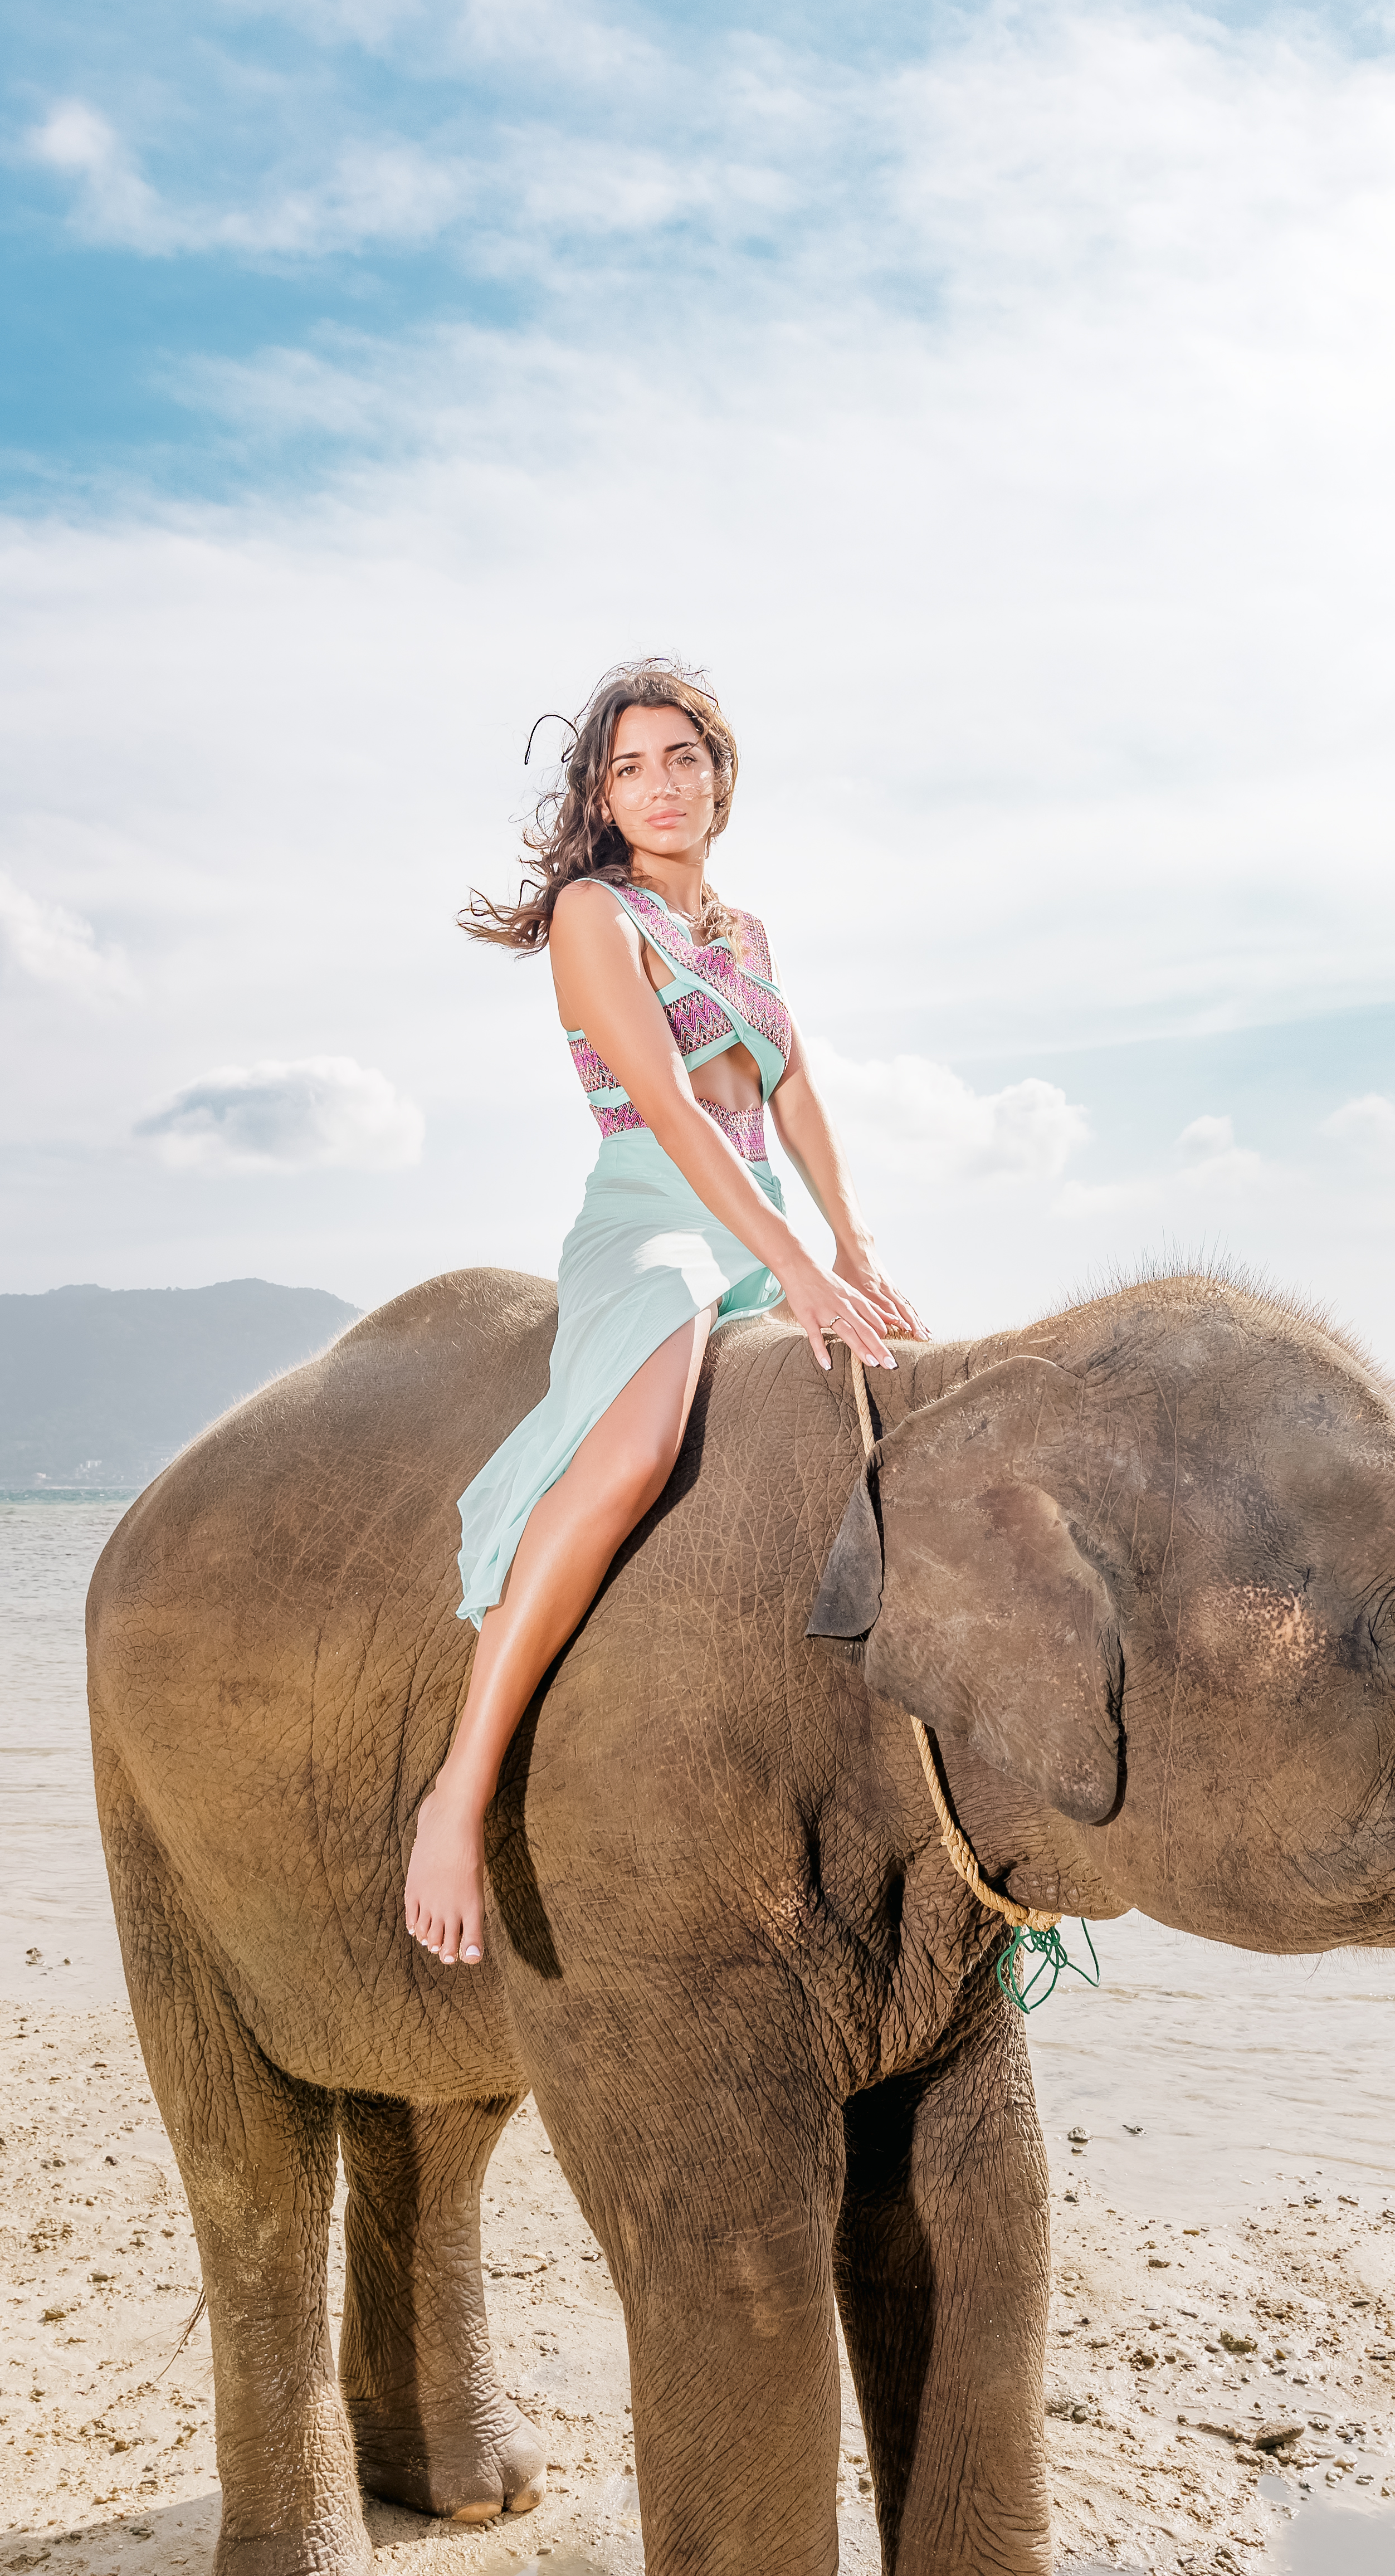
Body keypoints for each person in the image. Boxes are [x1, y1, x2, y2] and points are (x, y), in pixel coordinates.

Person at [404, 660, 924, 1965]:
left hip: (761, 1211)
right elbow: (681, 1114)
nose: (660, 785)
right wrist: (792, 1263)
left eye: (681, 757)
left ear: (718, 774)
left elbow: (789, 1093)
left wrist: (852, 1247)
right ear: (602, 795)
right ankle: (460, 1788)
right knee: (635, 1449)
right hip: (655, 1212)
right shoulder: (597, 914)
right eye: (629, 767)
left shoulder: (744, 937)